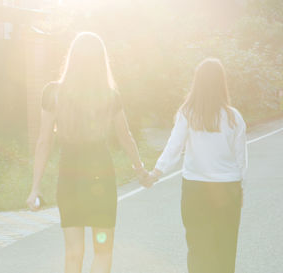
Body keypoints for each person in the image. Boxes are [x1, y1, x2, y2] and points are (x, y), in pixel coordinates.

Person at [26, 32, 152, 273]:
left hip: (69, 178)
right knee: (103, 251)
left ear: (72, 58)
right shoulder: (110, 94)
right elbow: (126, 137)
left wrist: (35, 188)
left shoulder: (53, 93)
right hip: (101, 179)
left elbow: (44, 142)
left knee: (73, 254)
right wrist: (140, 170)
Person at [144, 58, 248, 273]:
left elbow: (174, 147)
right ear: (222, 83)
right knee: (225, 249)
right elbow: (241, 160)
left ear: (197, 83)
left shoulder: (187, 114)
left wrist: (156, 172)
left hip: (195, 190)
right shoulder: (234, 118)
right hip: (227, 189)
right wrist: (241, 188)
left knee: (198, 249)